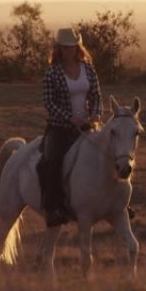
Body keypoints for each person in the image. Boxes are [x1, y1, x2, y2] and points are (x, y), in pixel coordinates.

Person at [40, 27, 102, 227]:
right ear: (59, 49)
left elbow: (96, 96)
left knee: (110, 154)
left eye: (72, 47)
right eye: (65, 48)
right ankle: (53, 208)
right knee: (53, 160)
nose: (69, 51)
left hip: (87, 126)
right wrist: (70, 119)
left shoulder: (88, 69)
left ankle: (116, 203)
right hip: (60, 128)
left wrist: (96, 114)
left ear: (78, 47)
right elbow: (49, 103)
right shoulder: (52, 73)